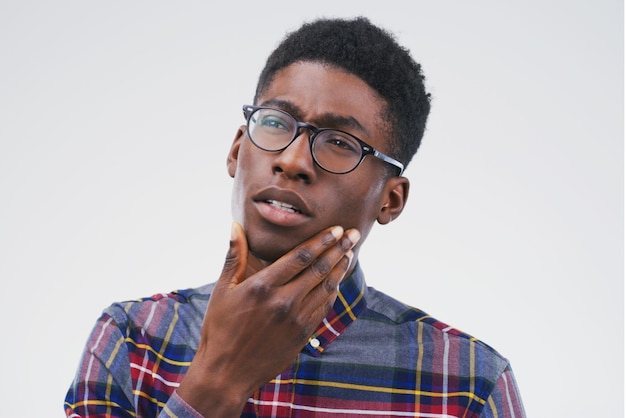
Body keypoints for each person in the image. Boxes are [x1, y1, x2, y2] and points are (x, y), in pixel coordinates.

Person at [65, 16, 525, 418]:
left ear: (391, 200)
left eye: (339, 142)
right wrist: (218, 381)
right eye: (275, 123)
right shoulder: (132, 341)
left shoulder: (467, 385)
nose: (293, 160)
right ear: (235, 149)